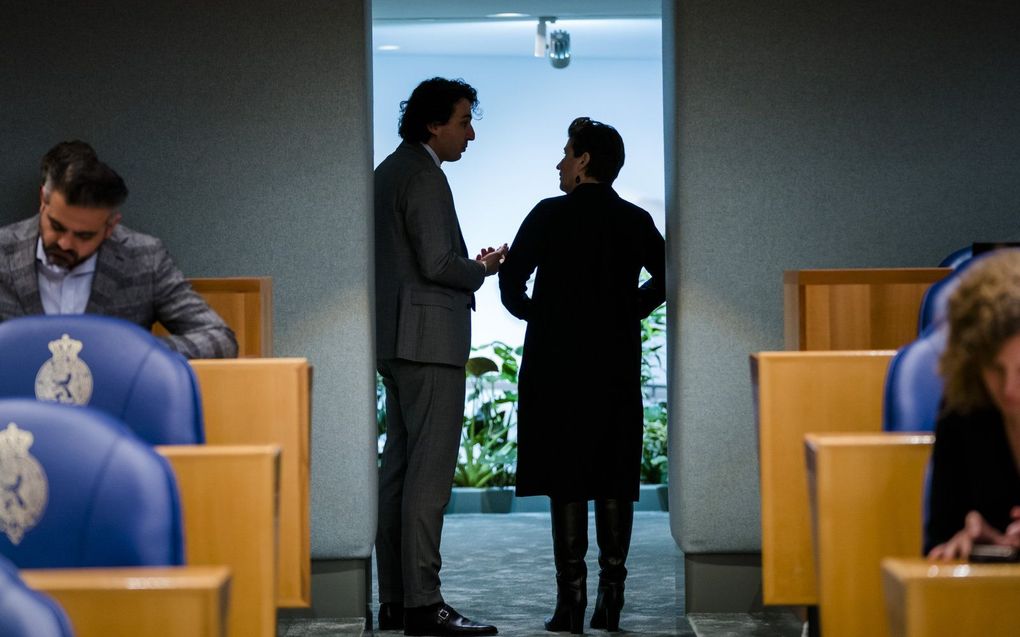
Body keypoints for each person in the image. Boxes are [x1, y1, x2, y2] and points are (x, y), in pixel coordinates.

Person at [499, 117, 665, 633]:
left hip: (557, 364)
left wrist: (540, 315)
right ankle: (611, 600)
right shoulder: (635, 220)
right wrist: (624, 311)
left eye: (567, 152)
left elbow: (510, 280)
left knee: (566, 474)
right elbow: (666, 277)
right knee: (614, 471)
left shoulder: (549, 215)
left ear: (585, 160)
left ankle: (569, 603)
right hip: (613, 361)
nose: (560, 162)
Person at [374, 77, 505, 636]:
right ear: (434, 124)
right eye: (464, 121)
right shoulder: (425, 175)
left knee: (399, 476)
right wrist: (482, 268)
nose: (470, 133)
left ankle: (399, 602)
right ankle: (425, 606)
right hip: (429, 344)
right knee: (428, 482)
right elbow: (436, 262)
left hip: (397, 341)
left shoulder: (390, 170)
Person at [0, 141, 237, 359]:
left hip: (110, 403)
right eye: (57, 226)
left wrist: (135, 351)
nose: (65, 244)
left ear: (110, 226)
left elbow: (219, 338)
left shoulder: (145, 258)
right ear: (43, 199)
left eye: (84, 235)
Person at [926, 249, 1020, 560]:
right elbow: (937, 538)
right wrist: (968, 543)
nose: (1009, 390)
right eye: (995, 369)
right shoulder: (963, 407)